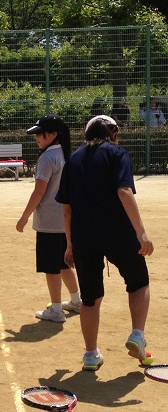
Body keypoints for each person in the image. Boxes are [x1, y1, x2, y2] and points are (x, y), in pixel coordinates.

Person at [56, 115, 154, 371]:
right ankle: (137, 334)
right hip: (118, 232)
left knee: (90, 298)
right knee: (139, 281)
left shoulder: (74, 159)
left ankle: (90, 354)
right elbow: (124, 191)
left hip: (84, 236)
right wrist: (141, 232)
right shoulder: (117, 153)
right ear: (113, 132)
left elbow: (66, 209)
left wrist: (69, 244)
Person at [16, 114, 81, 323]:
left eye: (40, 134)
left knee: (51, 266)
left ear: (53, 135)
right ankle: (76, 300)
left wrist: (24, 217)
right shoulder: (65, 154)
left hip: (49, 224)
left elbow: (39, 192)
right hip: (65, 221)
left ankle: (56, 309)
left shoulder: (47, 158)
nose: (36, 138)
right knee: (63, 264)